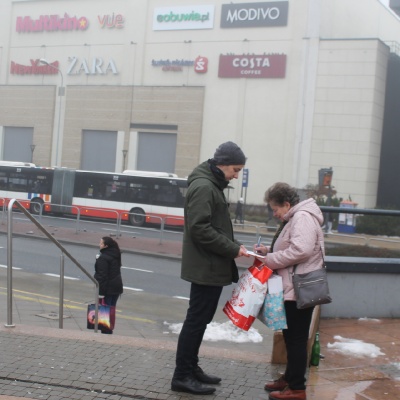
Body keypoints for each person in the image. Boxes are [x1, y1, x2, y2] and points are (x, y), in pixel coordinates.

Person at [171, 141, 250, 395]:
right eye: (235, 169)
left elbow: (214, 228)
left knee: (200, 320)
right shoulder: (205, 186)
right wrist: (231, 249)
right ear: (222, 164)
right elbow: (200, 228)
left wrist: (237, 246)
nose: (236, 175)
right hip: (206, 266)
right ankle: (182, 375)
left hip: (210, 265)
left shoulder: (211, 184)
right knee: (196, 321)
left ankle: (191, 368)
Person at [254, 182, 324, 400]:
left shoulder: (302, 217)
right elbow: (294, 246)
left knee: (295, 338)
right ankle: (290, 378)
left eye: (276, 209)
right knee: (290, 335)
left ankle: (296, 388)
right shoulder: (296, 216)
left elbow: (301, 250)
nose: (275, 214)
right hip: (294, 286)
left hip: (298, 288)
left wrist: (270, 259)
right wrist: (269, 249)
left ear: (287, 204)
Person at [94, 236, 123, 334]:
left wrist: (100, 293)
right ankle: (109, 329)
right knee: (111, 310)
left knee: (105, 311)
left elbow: (102, 276)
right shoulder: (115, 254)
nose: (99, 244)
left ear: (106, 246)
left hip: (108, 289)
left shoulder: (103, 258)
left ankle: (106, 332)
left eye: (101, 243)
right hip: (116, 288)